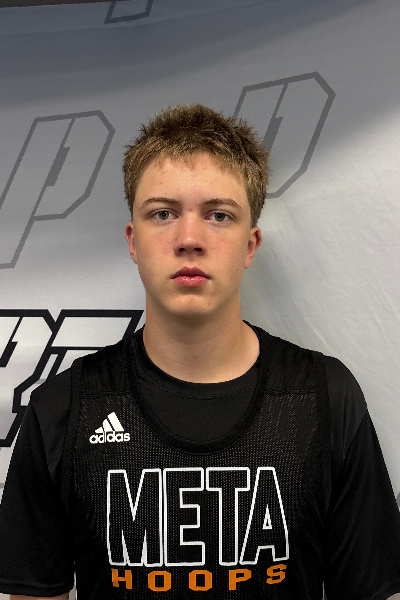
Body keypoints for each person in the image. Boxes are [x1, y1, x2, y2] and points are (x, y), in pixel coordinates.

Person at [0, 104, 399, 600]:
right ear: (133, 241)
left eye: (218, 215)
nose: (189, 239)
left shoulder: (324, 397)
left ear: (250, 244)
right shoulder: (64, 408)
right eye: (162, 214)